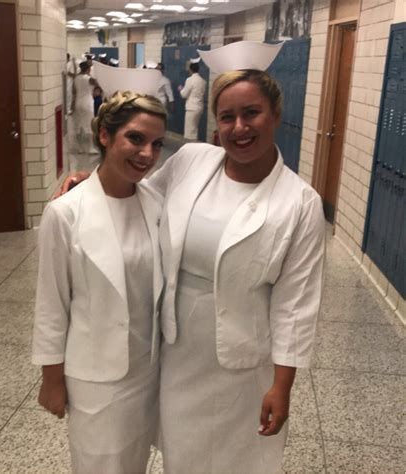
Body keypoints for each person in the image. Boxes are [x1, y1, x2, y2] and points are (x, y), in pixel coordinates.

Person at [56, 41, 325, 474]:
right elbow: (138, 193)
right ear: (216, 123)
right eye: (227, 116)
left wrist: (282, 385)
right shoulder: (194, 161)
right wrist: (93, 180)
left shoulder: (300, 202)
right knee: (183, 458)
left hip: (242, 362)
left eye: (252, 113)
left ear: (276, 114)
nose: (239, 127)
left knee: (239, 461)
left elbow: (296, 305)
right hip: (177, 351)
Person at [32, 90, 167, 473]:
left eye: (157, 144)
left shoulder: (155, 202)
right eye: (135, 138)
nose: (147, 154)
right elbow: (51, 304)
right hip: (96, 377)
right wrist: (51, 380)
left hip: (148, 370)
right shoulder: (65, 214)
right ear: (105, 135)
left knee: (134, 463)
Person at [69, 61, 97, 154]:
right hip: (87, 103)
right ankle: (90, 148)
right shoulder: (89, 79)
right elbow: (99, 84)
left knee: (79, 126)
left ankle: (80, 148)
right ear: (88, 69)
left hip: (78, 102)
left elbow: (73, 92)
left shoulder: (76, 78)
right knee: (89, 126)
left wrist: (72, 105)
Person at [178, 59, 206, 140]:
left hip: (191, 107)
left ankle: (189, 146)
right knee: (194, 129)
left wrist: (180, 89)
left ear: (190, 69)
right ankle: (194, 144)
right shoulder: (203, 81)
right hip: (199, 107)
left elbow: (184, 94)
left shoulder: (190, 80)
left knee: (189, 131)